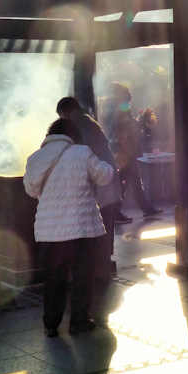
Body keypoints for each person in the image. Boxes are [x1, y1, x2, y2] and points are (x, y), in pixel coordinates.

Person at [24, 118, 114, 337]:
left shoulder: (35, 158)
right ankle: (79, 321)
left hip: (49, 231)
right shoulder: (82, 152)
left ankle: (51, 324)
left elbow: (30, 190)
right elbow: (105, 176)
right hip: (82, 229)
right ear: (72, 135)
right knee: (82, 276)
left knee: (54, 279)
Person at [56, 97, 120, 323]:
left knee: (98, 234)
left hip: (100, 188)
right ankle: (101, 273)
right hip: (106, 187)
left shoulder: (79, 126)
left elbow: (87, 161)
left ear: (66, 112)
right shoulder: (88, 122)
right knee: (103, 233)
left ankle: (99, 276)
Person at [105, 83, 161, 219]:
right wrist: (141, 121)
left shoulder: (114, 108)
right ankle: (116, 211)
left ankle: (144, 208)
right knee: (124, 182)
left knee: (133, 181)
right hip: (125, 151)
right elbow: (126, 128)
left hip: (123, 149)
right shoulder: (121, 108)